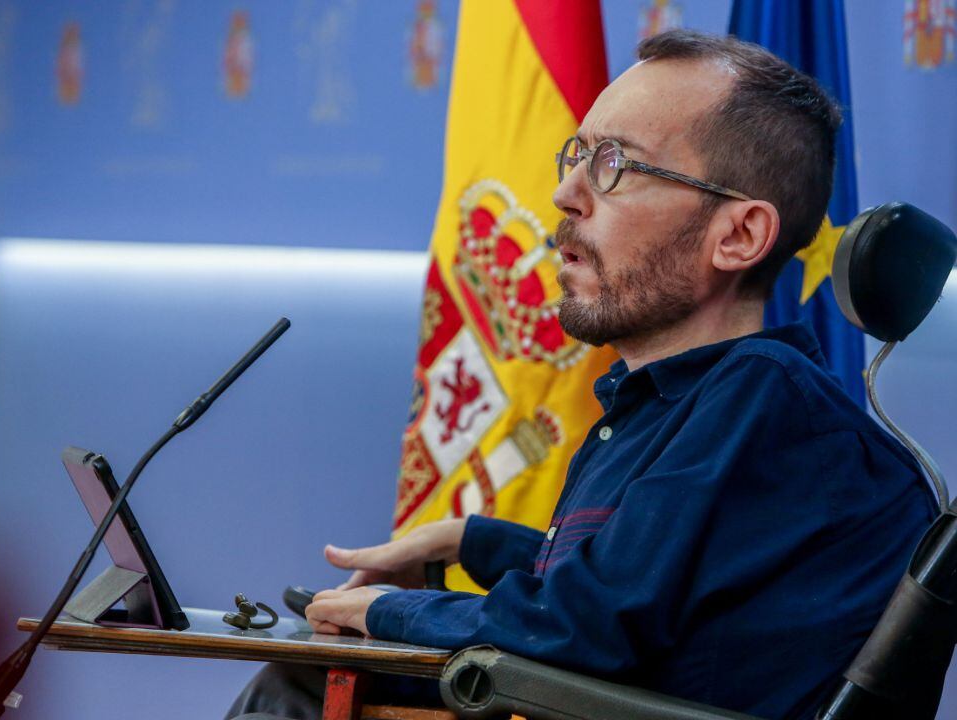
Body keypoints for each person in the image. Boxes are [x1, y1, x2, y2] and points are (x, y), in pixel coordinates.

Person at [228, 29, 936, 720]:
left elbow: (588, 631)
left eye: (614, 166)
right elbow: (646, 585)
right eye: (577, 156)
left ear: (740, 236)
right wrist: (465, 542)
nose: (566, 193)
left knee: (303, 684)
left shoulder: (759, 396)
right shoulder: (670, 404)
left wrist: (386, 609)